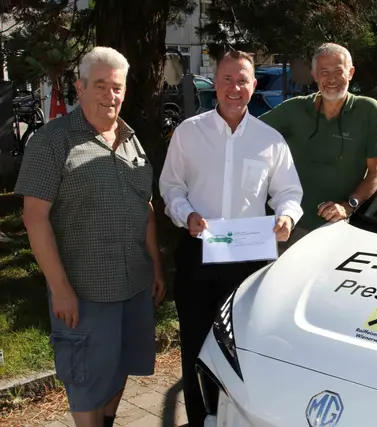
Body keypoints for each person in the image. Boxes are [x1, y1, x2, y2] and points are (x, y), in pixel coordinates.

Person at [13, 46, 165, 427]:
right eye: (100, 85)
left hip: (134, 285)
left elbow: (145, 207)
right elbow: (34, 219)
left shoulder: (131, 139)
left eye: (117, 87)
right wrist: (60, 288)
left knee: (121, 367)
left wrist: (156, 267)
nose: (110, 95)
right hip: (86, 292)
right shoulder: (52, 142)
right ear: (80, 88)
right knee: (85, 380)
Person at [159, 51, 303, 426]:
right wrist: (185, 214)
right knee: (196, 346)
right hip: (199, 253)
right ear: (215, 82)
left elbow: (289, 191)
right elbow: (171, 186)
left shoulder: (269, 140)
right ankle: (199, 419)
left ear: (253, 85)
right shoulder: (189, 132)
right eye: (227, 79)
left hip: (250, 260)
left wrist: (286, 216)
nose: (234, 88)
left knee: (244, 349)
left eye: (242, 80)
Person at [259, 42, 377, 249]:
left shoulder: (368, 110)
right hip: (288, 226)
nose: (331, 79)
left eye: (338, 71)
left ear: (351, 73)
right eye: (324, 72)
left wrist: (348, 205)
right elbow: (248, 133)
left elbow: (376, 172)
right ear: (314, 75)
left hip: (338, 227)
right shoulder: (293, 109)